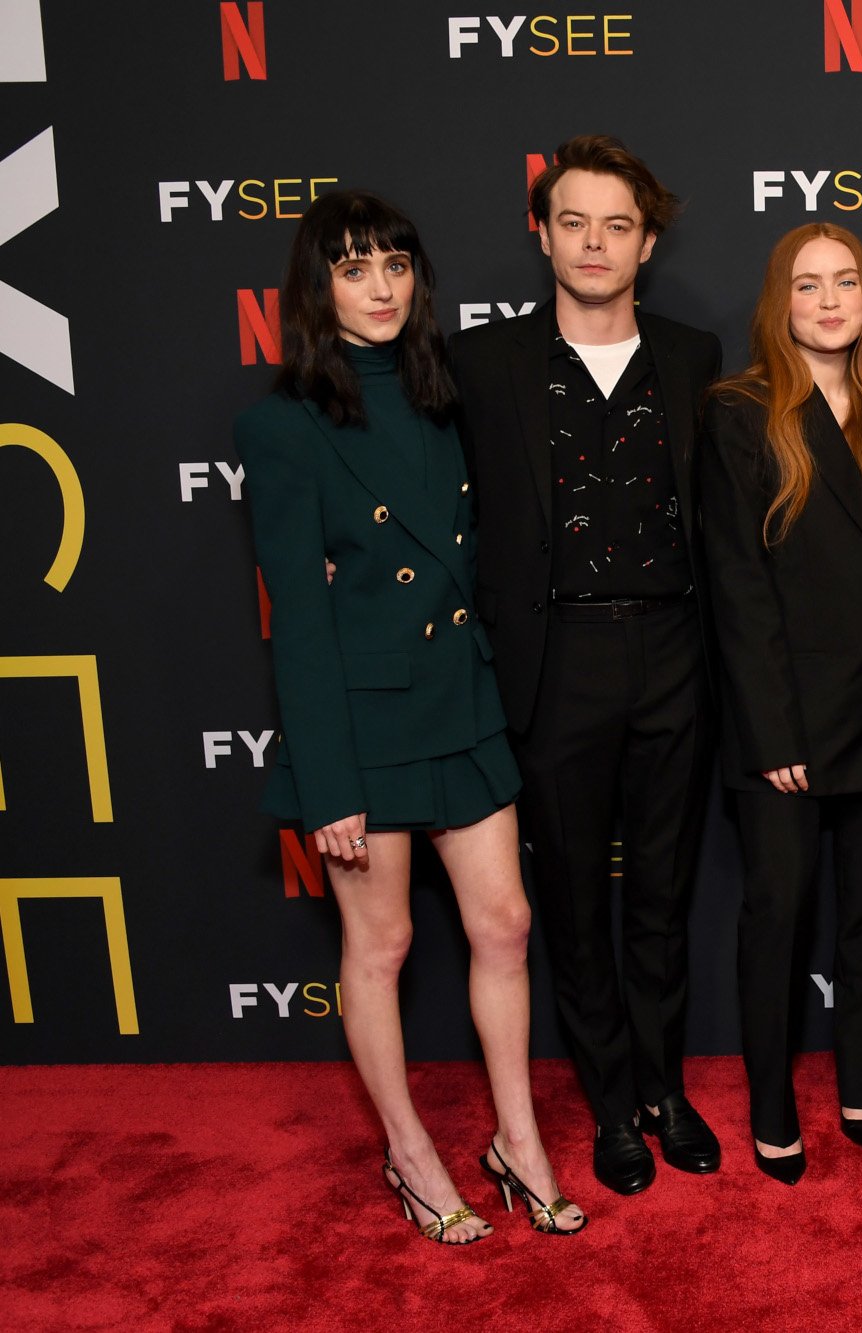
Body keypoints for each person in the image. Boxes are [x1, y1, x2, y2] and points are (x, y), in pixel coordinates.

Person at [236, 190, 584, 1241]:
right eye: (352, 269)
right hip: (367, 717)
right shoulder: (282, 422)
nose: (379, 288)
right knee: (379, 946)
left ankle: (516, 1138)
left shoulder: (448, 395)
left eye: (393, 265)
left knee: (506, 925)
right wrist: (326, 784)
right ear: (317, 288)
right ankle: (409, 1149)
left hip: (461, 699)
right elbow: (296, 618)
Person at [450, 135, 723, 1195]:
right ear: (541, 231)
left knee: (661, 894)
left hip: (673, 651)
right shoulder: (484, 365)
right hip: (554, 656)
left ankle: (662, 1088)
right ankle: (610, 1103)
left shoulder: (694, 356)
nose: (594, 242)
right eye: (574, 221)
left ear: (646, 242)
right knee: (570, 900)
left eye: (617, 225)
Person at [700, 223, 862, 1186]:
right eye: (808, 285)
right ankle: (769, 1101)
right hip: (788, 714)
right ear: (779, 302)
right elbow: (736, 585)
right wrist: (772, 729)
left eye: (846, 282)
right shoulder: (740, 410)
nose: (830, 300)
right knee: (780, 910)